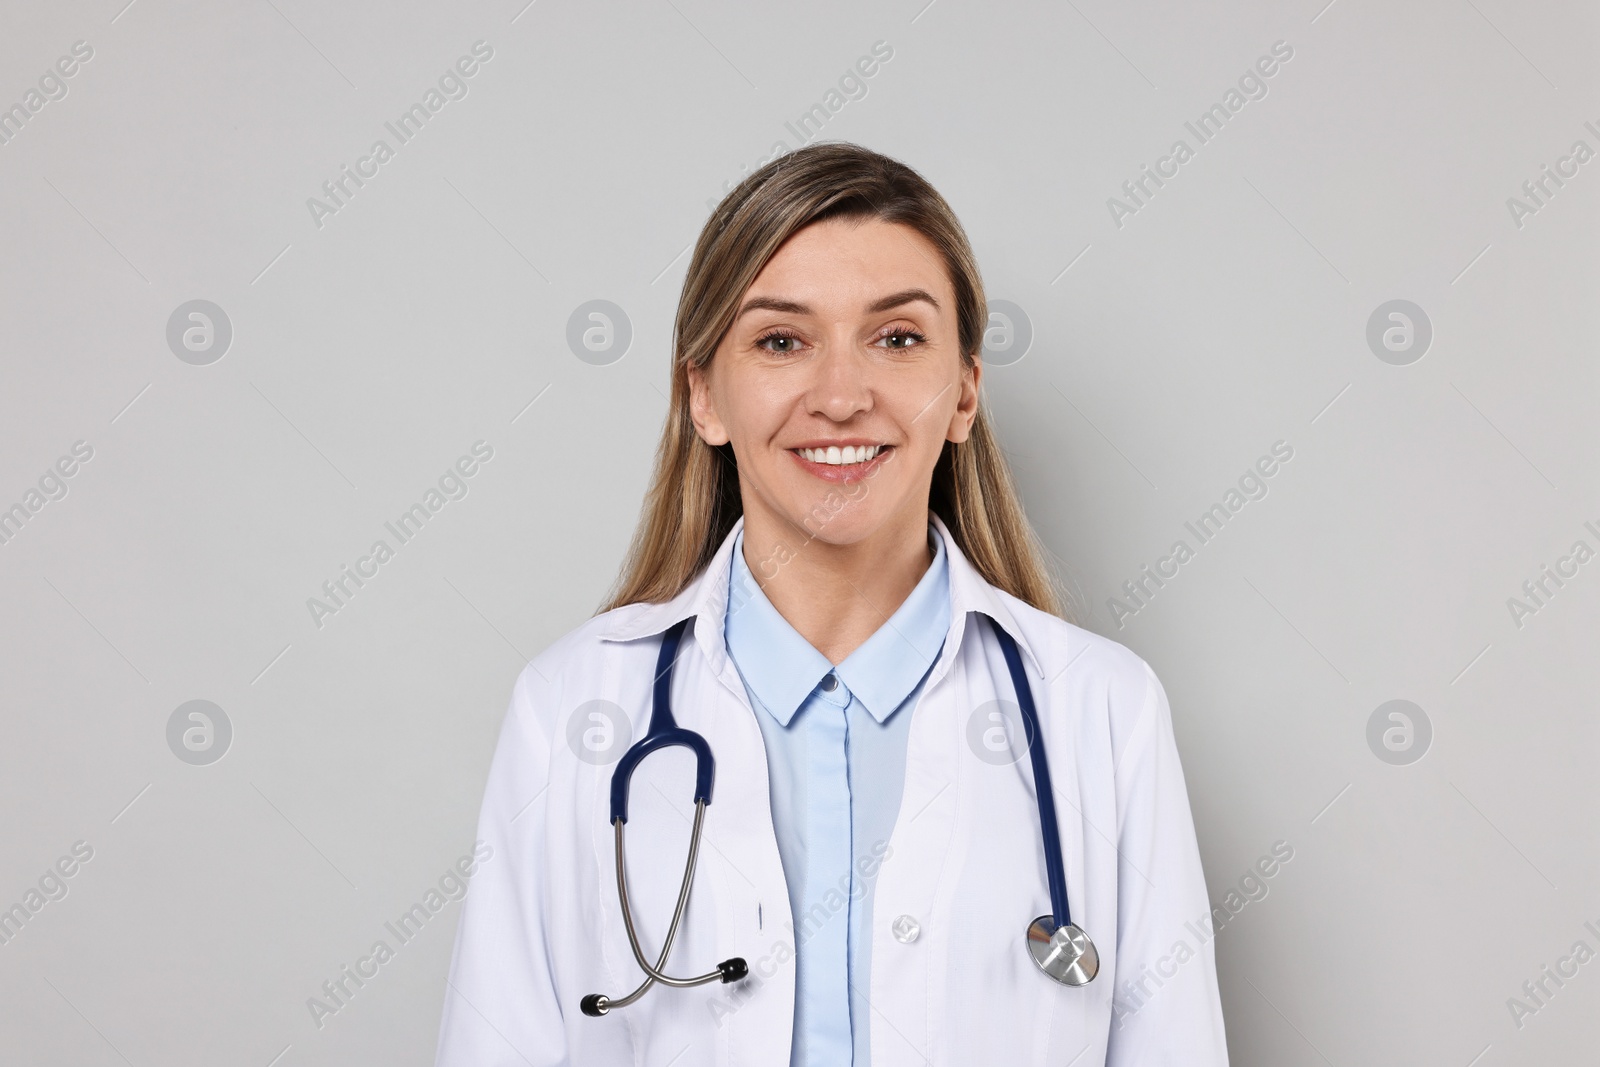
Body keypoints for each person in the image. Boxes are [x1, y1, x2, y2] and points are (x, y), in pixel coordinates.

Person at [435, 142, 1228, 1066]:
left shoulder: (1100, 709)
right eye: (781, 340)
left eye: (897, 339)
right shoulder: (570, 708)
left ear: (965, 391)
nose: (843, 396)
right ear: (704, 396)